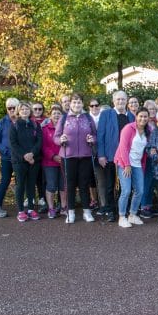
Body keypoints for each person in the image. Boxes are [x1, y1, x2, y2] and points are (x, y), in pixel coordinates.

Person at [54, 93, 96, 223]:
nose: (76, 105)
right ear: (70, 104)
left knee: (84, 184)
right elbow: (56, 137)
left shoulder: (88, 117)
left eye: (79, 102)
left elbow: (95, 135)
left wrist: (92, 139)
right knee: (70, 184)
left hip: (85, 156)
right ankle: (70, 212)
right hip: (68, 156)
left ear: (82, 104)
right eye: (74, 102)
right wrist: (60, 139)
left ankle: (86, 211)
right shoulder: (64, 118)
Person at [96, 90, 129, 222]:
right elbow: (100, 135)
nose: (120, 102)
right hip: (110, 156)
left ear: (126, 101)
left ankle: (123, 210)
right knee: (110, 186)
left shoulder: (131, 116)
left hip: (126, 157)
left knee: (125, 186)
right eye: (118, 99)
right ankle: (111, 210)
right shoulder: (106, 114)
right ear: (113, 101)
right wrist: (101, 155)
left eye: (123, 99)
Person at [114, 108, 150, 228]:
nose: (143, 119)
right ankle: (122, 216)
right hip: (125, 164)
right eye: (141, 116)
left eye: (145, 117)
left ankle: (132, 215)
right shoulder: (128, 128)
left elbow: (147, 149)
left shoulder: (147, 131)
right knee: (126, 191)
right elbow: (123, 147)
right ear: (136, 116)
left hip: (138, 164)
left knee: (139, 190)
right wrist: (127, 165)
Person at [10, 101, 43, 222]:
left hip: (34, 160)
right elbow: (13, 144)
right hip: (19, 161)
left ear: (30, 111)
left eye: (27, 109)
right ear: (18, 111)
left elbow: (39, 141)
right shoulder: (14, 125)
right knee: (20, 185)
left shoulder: (35, 125)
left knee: (31, 185)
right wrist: (25, 156)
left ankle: (30, 209)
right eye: (22, 109)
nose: (24, 111)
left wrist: (32, 154)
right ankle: (20, 211)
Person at [0, 97, 19, 218]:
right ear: (7, 109)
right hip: (7, 158)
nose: (12, 110)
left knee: (21, 182)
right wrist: (5, 151)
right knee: (5, 181)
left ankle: (22, 208)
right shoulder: (2, 122)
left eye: (14, 107)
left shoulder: (23, 121)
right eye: (9, 108)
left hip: (20, 159)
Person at [42, 104, 67, 219]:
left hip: (64, 160)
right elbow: (43, 146)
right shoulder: (45, 128)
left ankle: (63, 207)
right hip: (50, 162)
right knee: (51, 186)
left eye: (59, 113)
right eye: (54, 113)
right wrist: (53, 156)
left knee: (63, 185)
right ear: (50, 116)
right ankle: (51, 208)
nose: (56, 115)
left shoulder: (66, 127)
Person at [140, 100, 158, 218]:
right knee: (145, 182)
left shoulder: (157, 122)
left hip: (156, 157)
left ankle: (149, 205)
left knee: (152, 181)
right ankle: (143, 207)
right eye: (150, 109)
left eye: (153, 109)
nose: (152, 111)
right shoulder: (143, 124)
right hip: (146, 157)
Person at [31, 101, 47, 213]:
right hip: (32, 154)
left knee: (43, 179)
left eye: (40, 109)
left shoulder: (47, 120)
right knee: (32, 178)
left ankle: (43, 199)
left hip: (45, 154)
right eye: (35, 109)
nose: (37, 111)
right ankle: (31, 199)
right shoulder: (28, 121)